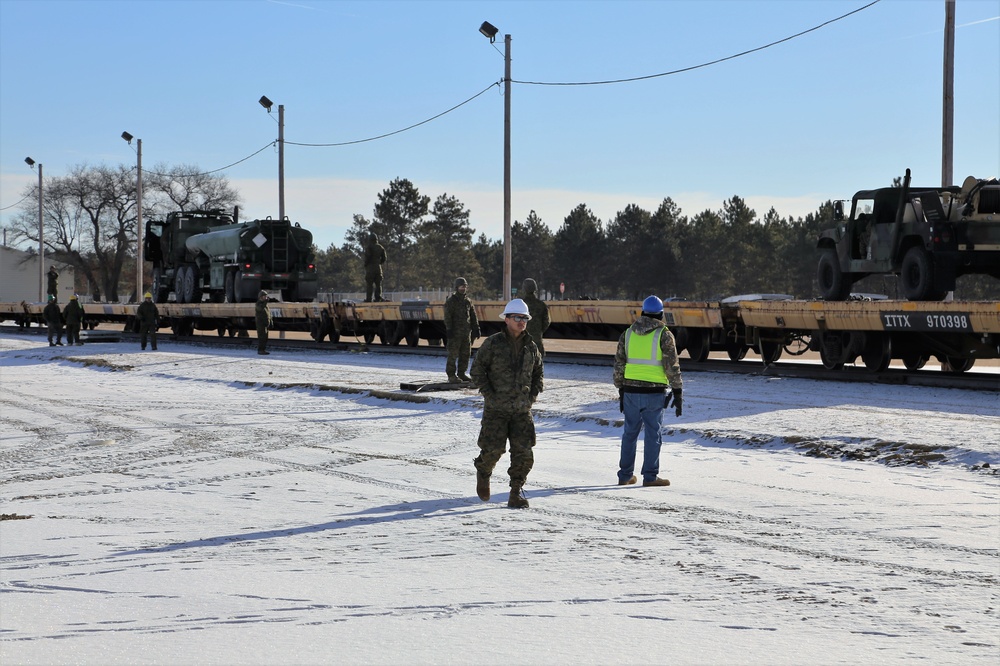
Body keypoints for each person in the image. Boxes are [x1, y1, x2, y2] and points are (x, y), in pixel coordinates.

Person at [471, 298, 544, 509]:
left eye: (525, 318)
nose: (522, 322)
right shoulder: (493, 343)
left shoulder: (531, 346)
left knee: (524, 453)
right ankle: (483, 472)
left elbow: (538, 373)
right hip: (497, 410)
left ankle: (515, 492)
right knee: (493, 450)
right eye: (518, 318)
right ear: (507, 319)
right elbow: (477, 370)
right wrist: (489, 395)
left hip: (522, 410)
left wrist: (531, 397)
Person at [613, 295, 683, 488]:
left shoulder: (627, 333)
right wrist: (677, 390)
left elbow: (619, 364)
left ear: (642, 312)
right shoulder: (664, 334)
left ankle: (625, 475)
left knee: (629, 433)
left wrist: (620, 388)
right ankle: (650, 476)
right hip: (654, 394)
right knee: (653, 434)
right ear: (660, 313)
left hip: (630, 392)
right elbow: (672, 366)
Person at [443, 277, 479, 382]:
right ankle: (451, 375)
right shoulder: (451, 301)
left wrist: (476, 328)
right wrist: (449, 329)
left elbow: (473, 315)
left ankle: (462, 373)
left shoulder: (468, 301)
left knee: (465, 354)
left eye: (464, 286)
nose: (463, 288)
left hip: (466, 333)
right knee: (453, 354)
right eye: (461, 286)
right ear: (456, 287)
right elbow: (447, 317)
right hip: (455, 333)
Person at [520, 278, 551, 357]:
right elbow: (546, 322)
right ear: (535, 288)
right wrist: (538, 331)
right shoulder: (541, 305)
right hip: (537, 340)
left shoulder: (520, 305)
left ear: (524, 289)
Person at [363, 232, 387, 302]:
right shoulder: (380, 247)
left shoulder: (369, 247)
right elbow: (384, 258)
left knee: (369, 284)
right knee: (378, 284)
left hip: (370, 268)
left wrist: (366, 264)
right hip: (378, 268)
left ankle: (369, 298)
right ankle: (378, 298)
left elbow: (368, 257)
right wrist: (379, 263)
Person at [255, 290, 272, 355]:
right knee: (261, 337)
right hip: (261, 324)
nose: (266, 297)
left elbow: (268, 314)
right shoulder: (258, 304)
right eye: (264, 296)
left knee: (265, 338)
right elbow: (260, 309)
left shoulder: (265, 305)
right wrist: (265, 302)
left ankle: (263, 349)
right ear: (261, 297)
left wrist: (270, 321)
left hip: (265, 323)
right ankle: (260, 350)